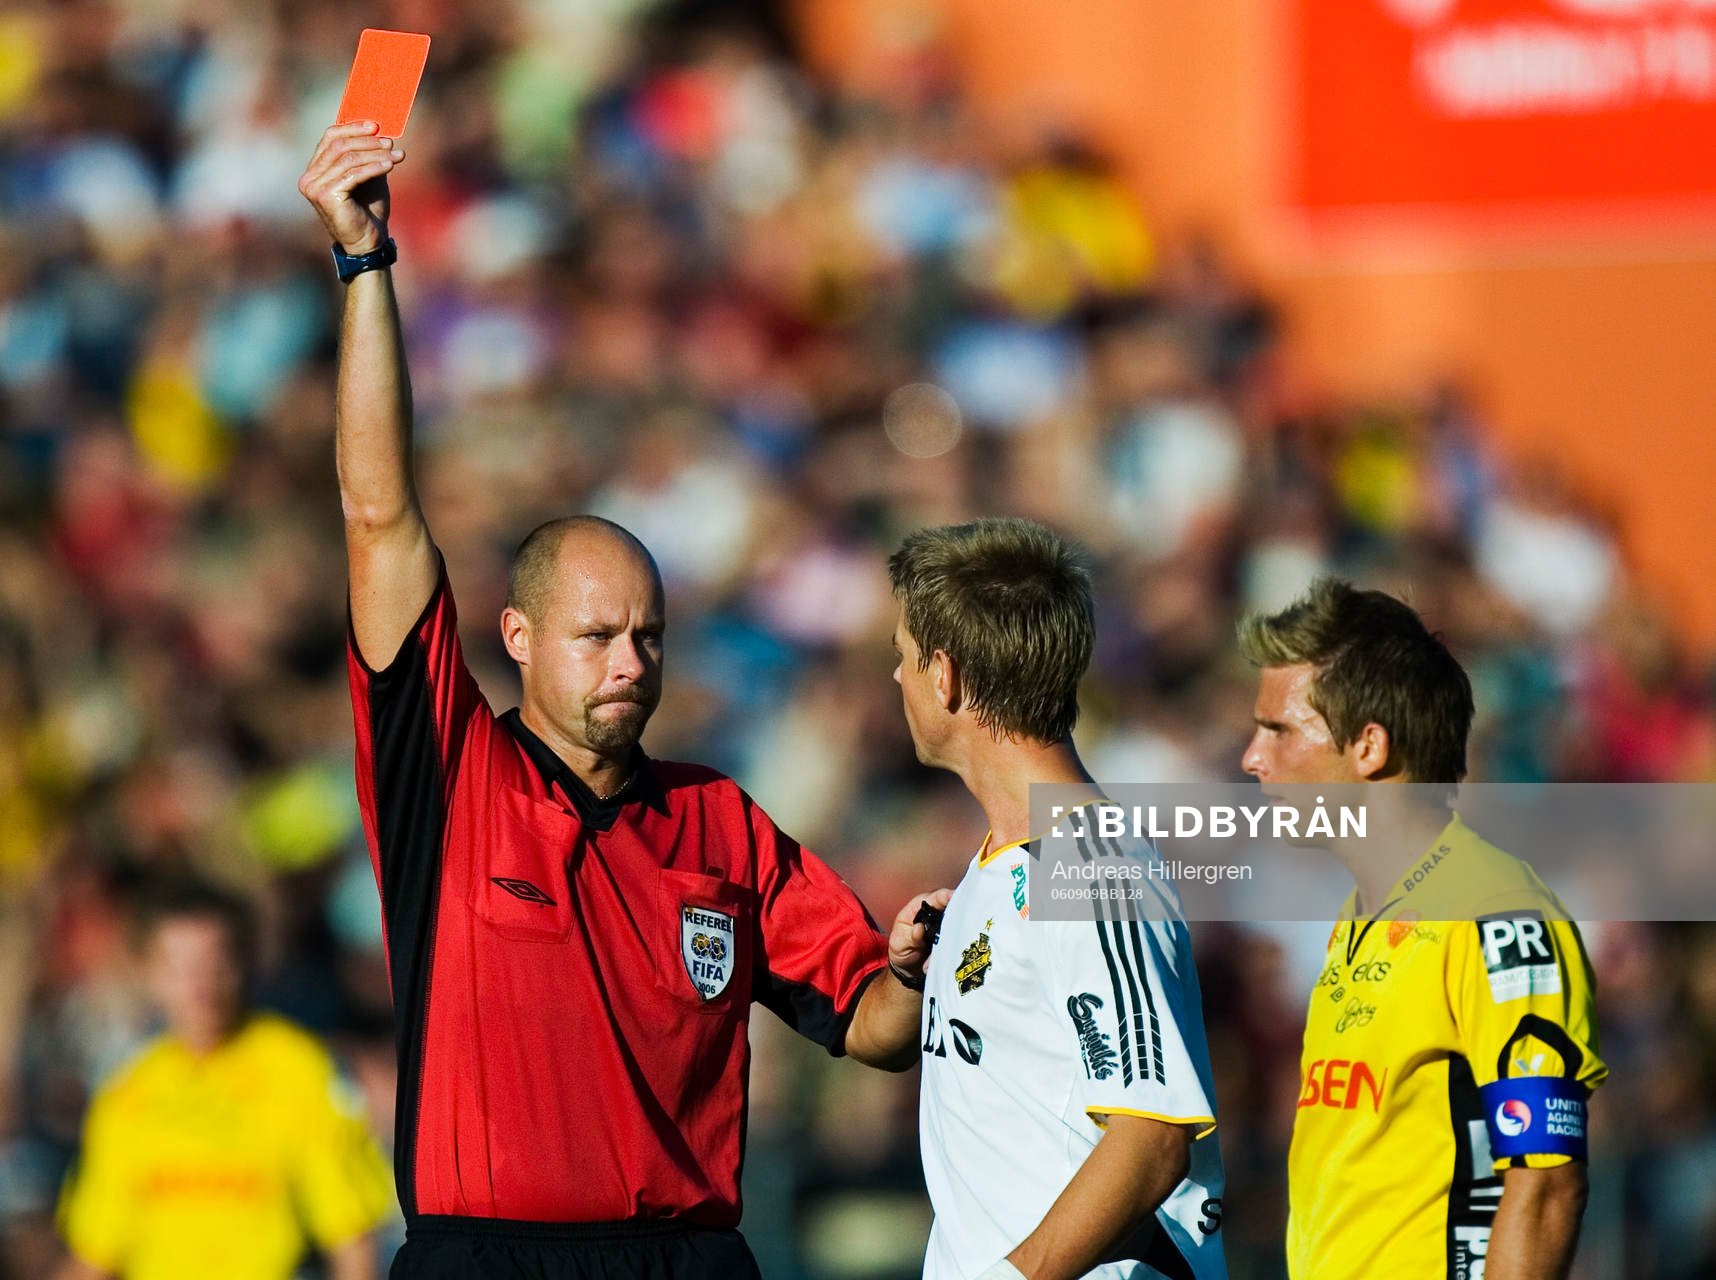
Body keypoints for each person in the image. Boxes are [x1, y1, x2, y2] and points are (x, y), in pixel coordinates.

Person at [297, 122, 940, 1280]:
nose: (629, 661)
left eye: (647, 635)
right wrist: (365, 268)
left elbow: (877, 1031)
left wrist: (907, 970)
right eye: (595, 636)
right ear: (519, 637)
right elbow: (379, 512)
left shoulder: (721, 823)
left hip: (686, 1256)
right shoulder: (449, 776)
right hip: (487, 1256)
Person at [1238, 577, 1606, 1280]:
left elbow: (1547, 1182)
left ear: (1369, 748)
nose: (1251, 758)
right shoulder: (1360, 915)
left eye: (1279, 729)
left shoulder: (1494, 913)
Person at [888, 518, 1226, 1280]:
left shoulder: (1087, 863)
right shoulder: (998, 863)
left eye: (903, 658)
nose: (897, 680)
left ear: (945, 675)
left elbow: (1151, 1136)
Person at [55, 877, 393, 1280]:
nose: (199, 984)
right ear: (147, 972)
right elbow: (93, 1254)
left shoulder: (301, 1070)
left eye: (214, 962)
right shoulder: (126, 1092)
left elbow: (352, 1237)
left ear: (244, 963)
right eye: (178, 967)